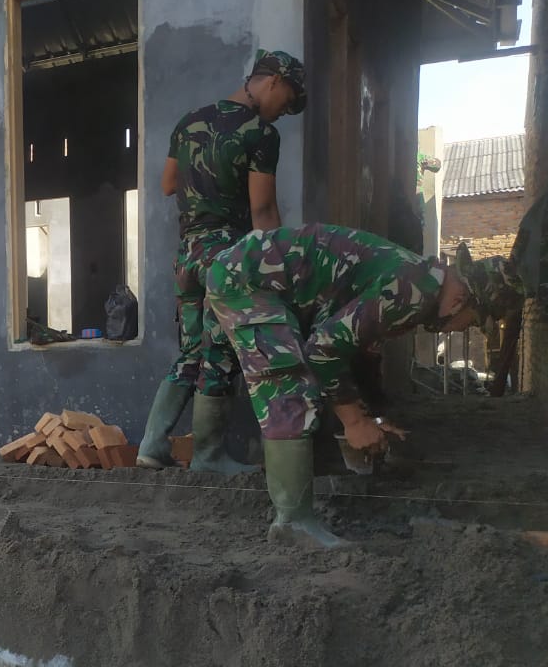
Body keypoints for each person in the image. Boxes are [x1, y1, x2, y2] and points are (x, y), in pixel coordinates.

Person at [206, 226, 524, 548]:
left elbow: (356, 349)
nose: (458, 330)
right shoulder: (412, 292)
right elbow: (323, 349)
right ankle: (293, 523)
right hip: (249, 280)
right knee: (288, 388)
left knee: (299, 379)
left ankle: (255, 469)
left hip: (251, 272)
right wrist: (355, 422)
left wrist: (373, 417)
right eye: (472, 322)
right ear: (461, 300)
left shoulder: (419, 279)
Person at [137, 49, 307, 473]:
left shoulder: (189, 122)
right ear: (272, 81)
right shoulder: (260, 134)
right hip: (226, 259)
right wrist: (278, 268)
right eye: (286, 101)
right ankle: (209, 457)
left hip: (187, 255)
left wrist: (204, 184)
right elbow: (263, 210)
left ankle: (152, 445)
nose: (284, 112)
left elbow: (168, 184)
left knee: (191, 349)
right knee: (219, 355)